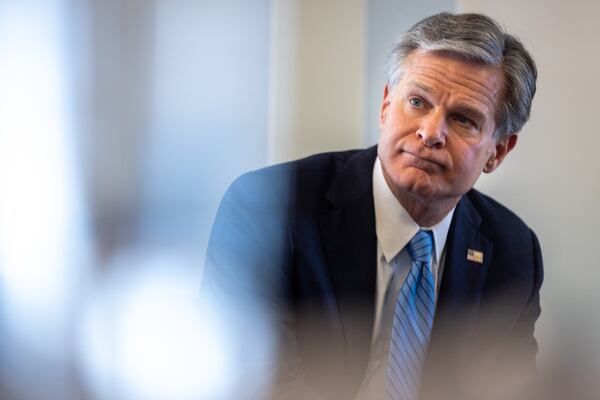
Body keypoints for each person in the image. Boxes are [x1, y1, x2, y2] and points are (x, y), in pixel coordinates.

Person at [202, 12, 542, 400]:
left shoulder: (513, 252)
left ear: (497, 151)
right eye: (417, 102)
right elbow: (253, 380)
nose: (430, 132)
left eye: (463, 120)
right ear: (385, 106)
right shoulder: (268, 206)